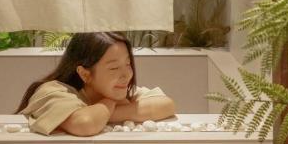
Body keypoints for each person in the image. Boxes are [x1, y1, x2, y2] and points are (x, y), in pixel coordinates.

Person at [16, 32, 176, 136]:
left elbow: (166, 105)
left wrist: (108, 112)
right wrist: (111, 102)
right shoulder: (52, 91)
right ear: (85, 74)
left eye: (128, 64)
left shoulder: (114, 90)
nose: (127, 74)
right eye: (114, 68)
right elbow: (85, 123)